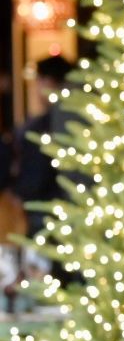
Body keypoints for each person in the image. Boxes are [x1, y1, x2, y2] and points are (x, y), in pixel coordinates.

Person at [14, 55, 74, 236]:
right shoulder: (76, 118)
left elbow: (34, 178)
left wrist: (16, 194)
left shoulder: (42, 127)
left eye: (38, 82)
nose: (35, 89)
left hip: (43, 215)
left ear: (49, 81)